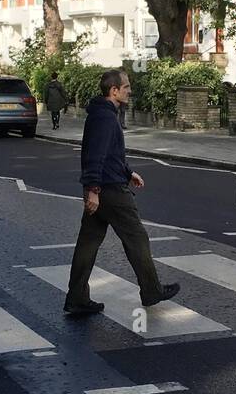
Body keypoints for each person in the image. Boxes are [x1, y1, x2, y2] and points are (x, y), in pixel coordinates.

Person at [64, 69, 179, 315]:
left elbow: (110, 153)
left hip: (105, 187)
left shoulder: (102, 114)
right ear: (113, 90)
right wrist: (94, 189)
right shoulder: (105, 118)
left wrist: (128, 173)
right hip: (111, 192)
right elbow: (95, 155)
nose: (129, 90)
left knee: (88, 244)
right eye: (125, 87)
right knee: (137, 238)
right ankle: (151, 290)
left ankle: (76, 298)